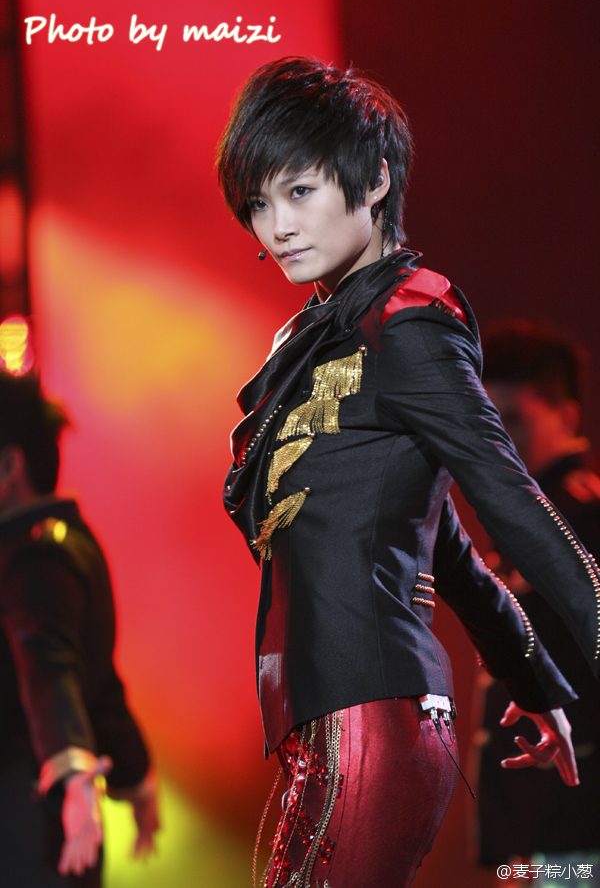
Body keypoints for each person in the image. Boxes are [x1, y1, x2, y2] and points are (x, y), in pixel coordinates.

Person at [217, 56, 599, 888]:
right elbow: (447, 547)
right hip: (330, 730)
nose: (276, 226)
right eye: (259, 203)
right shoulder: (321, 334)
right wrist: (535, 682)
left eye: (300, 191)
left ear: (376, 180)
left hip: (372, 725)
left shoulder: (411, 321)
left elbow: (509, 497)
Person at [0, 370, 159, 886]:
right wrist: (135, 774)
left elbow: (49, 668)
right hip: (57, 836)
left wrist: (70, 770)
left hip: (27, 835)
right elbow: (99, 685)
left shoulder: (31, 558)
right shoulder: (71, 542)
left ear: (9, 465)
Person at [474, 322, 600, 879]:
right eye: (487, 418)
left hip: (576, 825)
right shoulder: (530, 517)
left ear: (566, 417)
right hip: (540, 827)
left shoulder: (583, 521)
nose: (498, 435)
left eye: (514, 418)